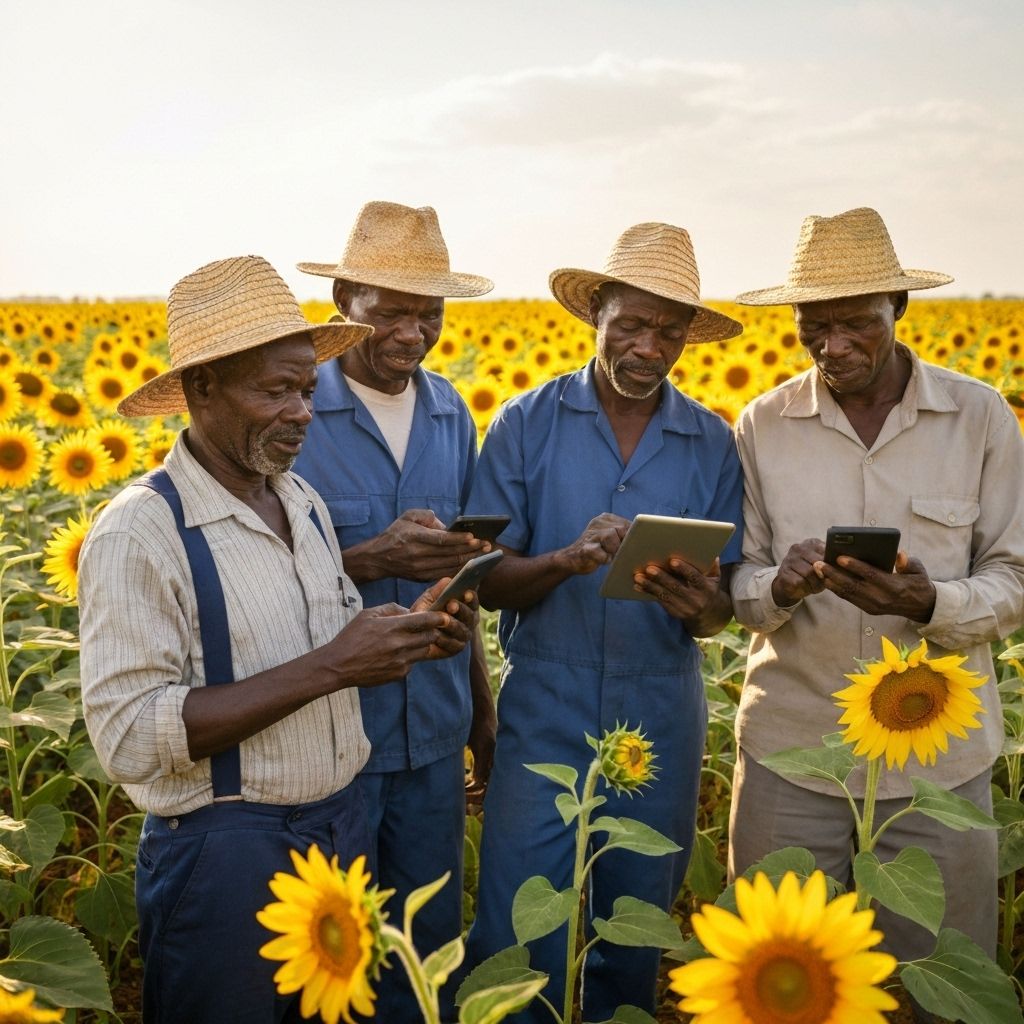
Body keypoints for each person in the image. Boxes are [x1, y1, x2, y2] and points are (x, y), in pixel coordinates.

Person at [78, 255, 477, 1023]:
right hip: (224, 850)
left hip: (338, 830)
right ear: (201, 389)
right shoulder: (142, 532)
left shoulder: (300, 502)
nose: (302, 412)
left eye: (305, 389)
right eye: (275, 391)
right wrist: (334, 666)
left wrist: (404, 635)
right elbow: (129, 737)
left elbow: (326, 641)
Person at [728, 207, 1024, 976]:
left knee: (942, 976)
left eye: (856, 323)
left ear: (899, 307)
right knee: (774, 976)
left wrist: (930, 605)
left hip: (938, 763)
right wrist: (778, 585)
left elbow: (1017, 576)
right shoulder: (762, 424)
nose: (833, 346)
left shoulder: (979, 417)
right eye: (812, 326)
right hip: (793, 754)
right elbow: (740, 583)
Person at [462, 223, 745, 1021]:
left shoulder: (712, 440)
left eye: (669, 329)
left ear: (688, 336)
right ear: (597, 313)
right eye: (631, 322)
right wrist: (565, 560)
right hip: (544, 697)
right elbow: (489, 583)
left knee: (635, 918)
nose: (648, 345)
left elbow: (721, 607)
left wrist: (702, 605)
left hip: (660, 704)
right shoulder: (526, 422)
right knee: (520, 921)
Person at [292, 201, 497, 1019]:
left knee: (425, 944)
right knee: (334, 951)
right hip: (331, 732)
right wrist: (370, 557)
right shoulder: (295, 408)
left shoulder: (452, 412)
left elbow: (468, 579)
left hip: (435, 734)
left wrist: (483, 719)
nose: (412, 333)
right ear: (346, 300)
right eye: (392, 312)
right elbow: (258, 573)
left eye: (429, 314)